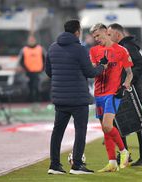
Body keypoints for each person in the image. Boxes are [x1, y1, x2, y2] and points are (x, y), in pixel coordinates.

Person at [45, 20, 106, 175]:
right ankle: (77, 165)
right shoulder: (80, 49)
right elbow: (90, 73)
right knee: (80, 131)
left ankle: (54, 165)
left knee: (57, 131)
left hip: (60, 98)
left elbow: (49, 72)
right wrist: (101, 67)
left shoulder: (52, 48)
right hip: (78, 99)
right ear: (77, 32)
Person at [89, 23, 133, 172]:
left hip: (113, 93)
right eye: (94, 37)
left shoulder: (121, 50)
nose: (96, 39)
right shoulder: (94, 51)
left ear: (106, 33)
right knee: (105, 129)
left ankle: (124, 151)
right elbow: (93, 71)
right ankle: (112, 162)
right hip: (98, 93)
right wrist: (99, 67)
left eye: (98, 36)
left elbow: (129, 73)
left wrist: (125, 86)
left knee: (108, 126)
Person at [107, 23, 142, 166]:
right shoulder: (118, 48)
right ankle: (125, 155)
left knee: (138, 124)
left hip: (133, 93)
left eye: (110, 34)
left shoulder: (128, 47)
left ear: (118, 35)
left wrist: (129, 81)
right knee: (119, 123)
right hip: (123, 92)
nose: (108, 37)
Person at [19, 35, 45, 103]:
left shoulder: (40, 48)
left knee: (37, 86)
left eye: (32, 40)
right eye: (30, 40)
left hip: (38, 72)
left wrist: (43, 69)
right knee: (29, 87)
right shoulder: (24, 49)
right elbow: (21, 61)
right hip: (28, 72)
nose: (31, 41)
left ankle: (37, 100)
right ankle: (31, 100)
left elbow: (45, 59)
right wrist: (25, 69)